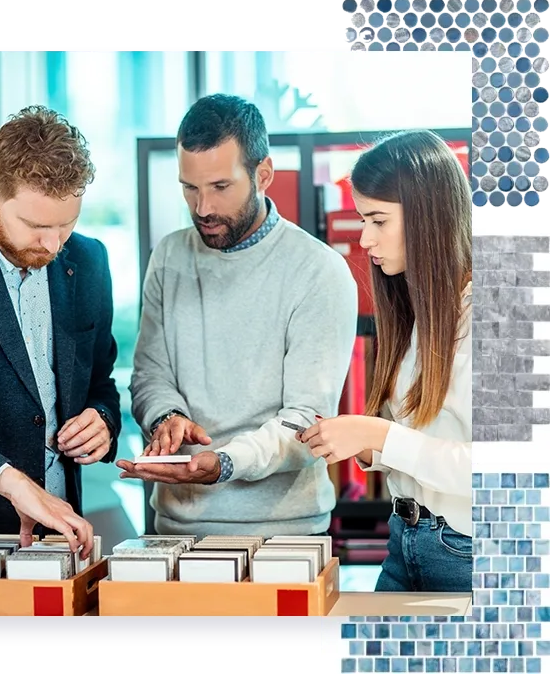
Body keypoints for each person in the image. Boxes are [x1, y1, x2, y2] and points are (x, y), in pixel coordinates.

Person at [117, 93, 358, 538]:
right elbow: (149, 373)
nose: (203, 208)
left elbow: (307, 420)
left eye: (220, 187)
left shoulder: (318, 271)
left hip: (284, 534)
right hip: (174, 528)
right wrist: (166, 418)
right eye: (189, 188)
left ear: (263, 174)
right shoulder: (169, 255)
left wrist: (225, 464)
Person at [297, 129, 472, 592]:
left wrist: (382, 436)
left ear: (427, 215)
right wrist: (366, 446)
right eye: (361, 220)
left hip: (468, 553)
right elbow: (429, 433)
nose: (365, 239)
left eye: (378, 220)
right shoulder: (417, 308)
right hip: (405, 541)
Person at [0, 105, 122, 554]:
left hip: (64, 538)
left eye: (67, 224)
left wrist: (101, 421)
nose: (53, 244)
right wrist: (4, 479)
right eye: (37, 225)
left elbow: (101, 382)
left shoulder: (89, 261)